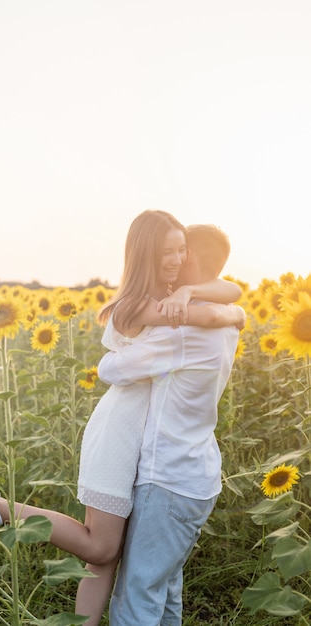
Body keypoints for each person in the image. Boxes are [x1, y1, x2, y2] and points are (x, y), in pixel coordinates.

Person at [0, 211, 243, 626]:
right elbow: (111, 368)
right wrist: (227, 312)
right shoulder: (149, 309)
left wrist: (212, 303)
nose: (177, 261)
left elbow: (223, 296)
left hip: (149, 447)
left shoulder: (181, 309)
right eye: (168, 253)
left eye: (183, 252)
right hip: (121, 432)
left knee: (107, 557)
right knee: (103, 551)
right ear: (148, 255)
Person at [97, 223, 244, 626]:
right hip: (198, 476)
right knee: (164, 591)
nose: (175, 261)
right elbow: (233, 301)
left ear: (189, 258)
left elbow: (111, 369)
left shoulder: (181, 331)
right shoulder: (227, 321)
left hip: (168, 479)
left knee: (136, 598)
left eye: (180, 252)